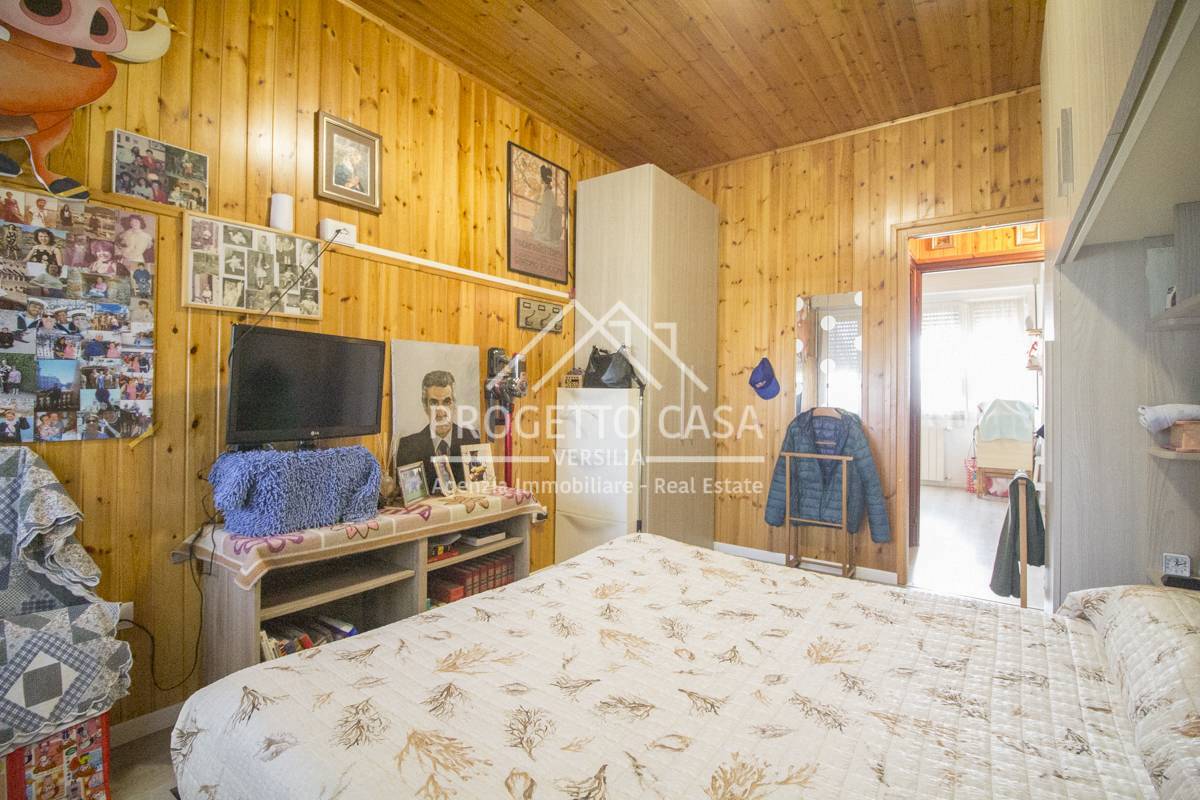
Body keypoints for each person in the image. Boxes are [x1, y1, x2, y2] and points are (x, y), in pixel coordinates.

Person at [392, 370, 481, 493]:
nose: (440, 412)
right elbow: (412, 494)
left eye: (447, 402)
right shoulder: (408, 447)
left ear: (454, 404)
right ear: (425, 407)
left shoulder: (472, 439)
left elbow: (480, 487)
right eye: (434, 403)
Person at [531, 164, 563, 246]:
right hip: (546, 225)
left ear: (542, 179)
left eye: (540, 177)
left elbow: (545, 215)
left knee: (535, 233)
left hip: (546, 230)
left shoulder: (547, 194)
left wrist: (535, 218)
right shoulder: (548, 194)